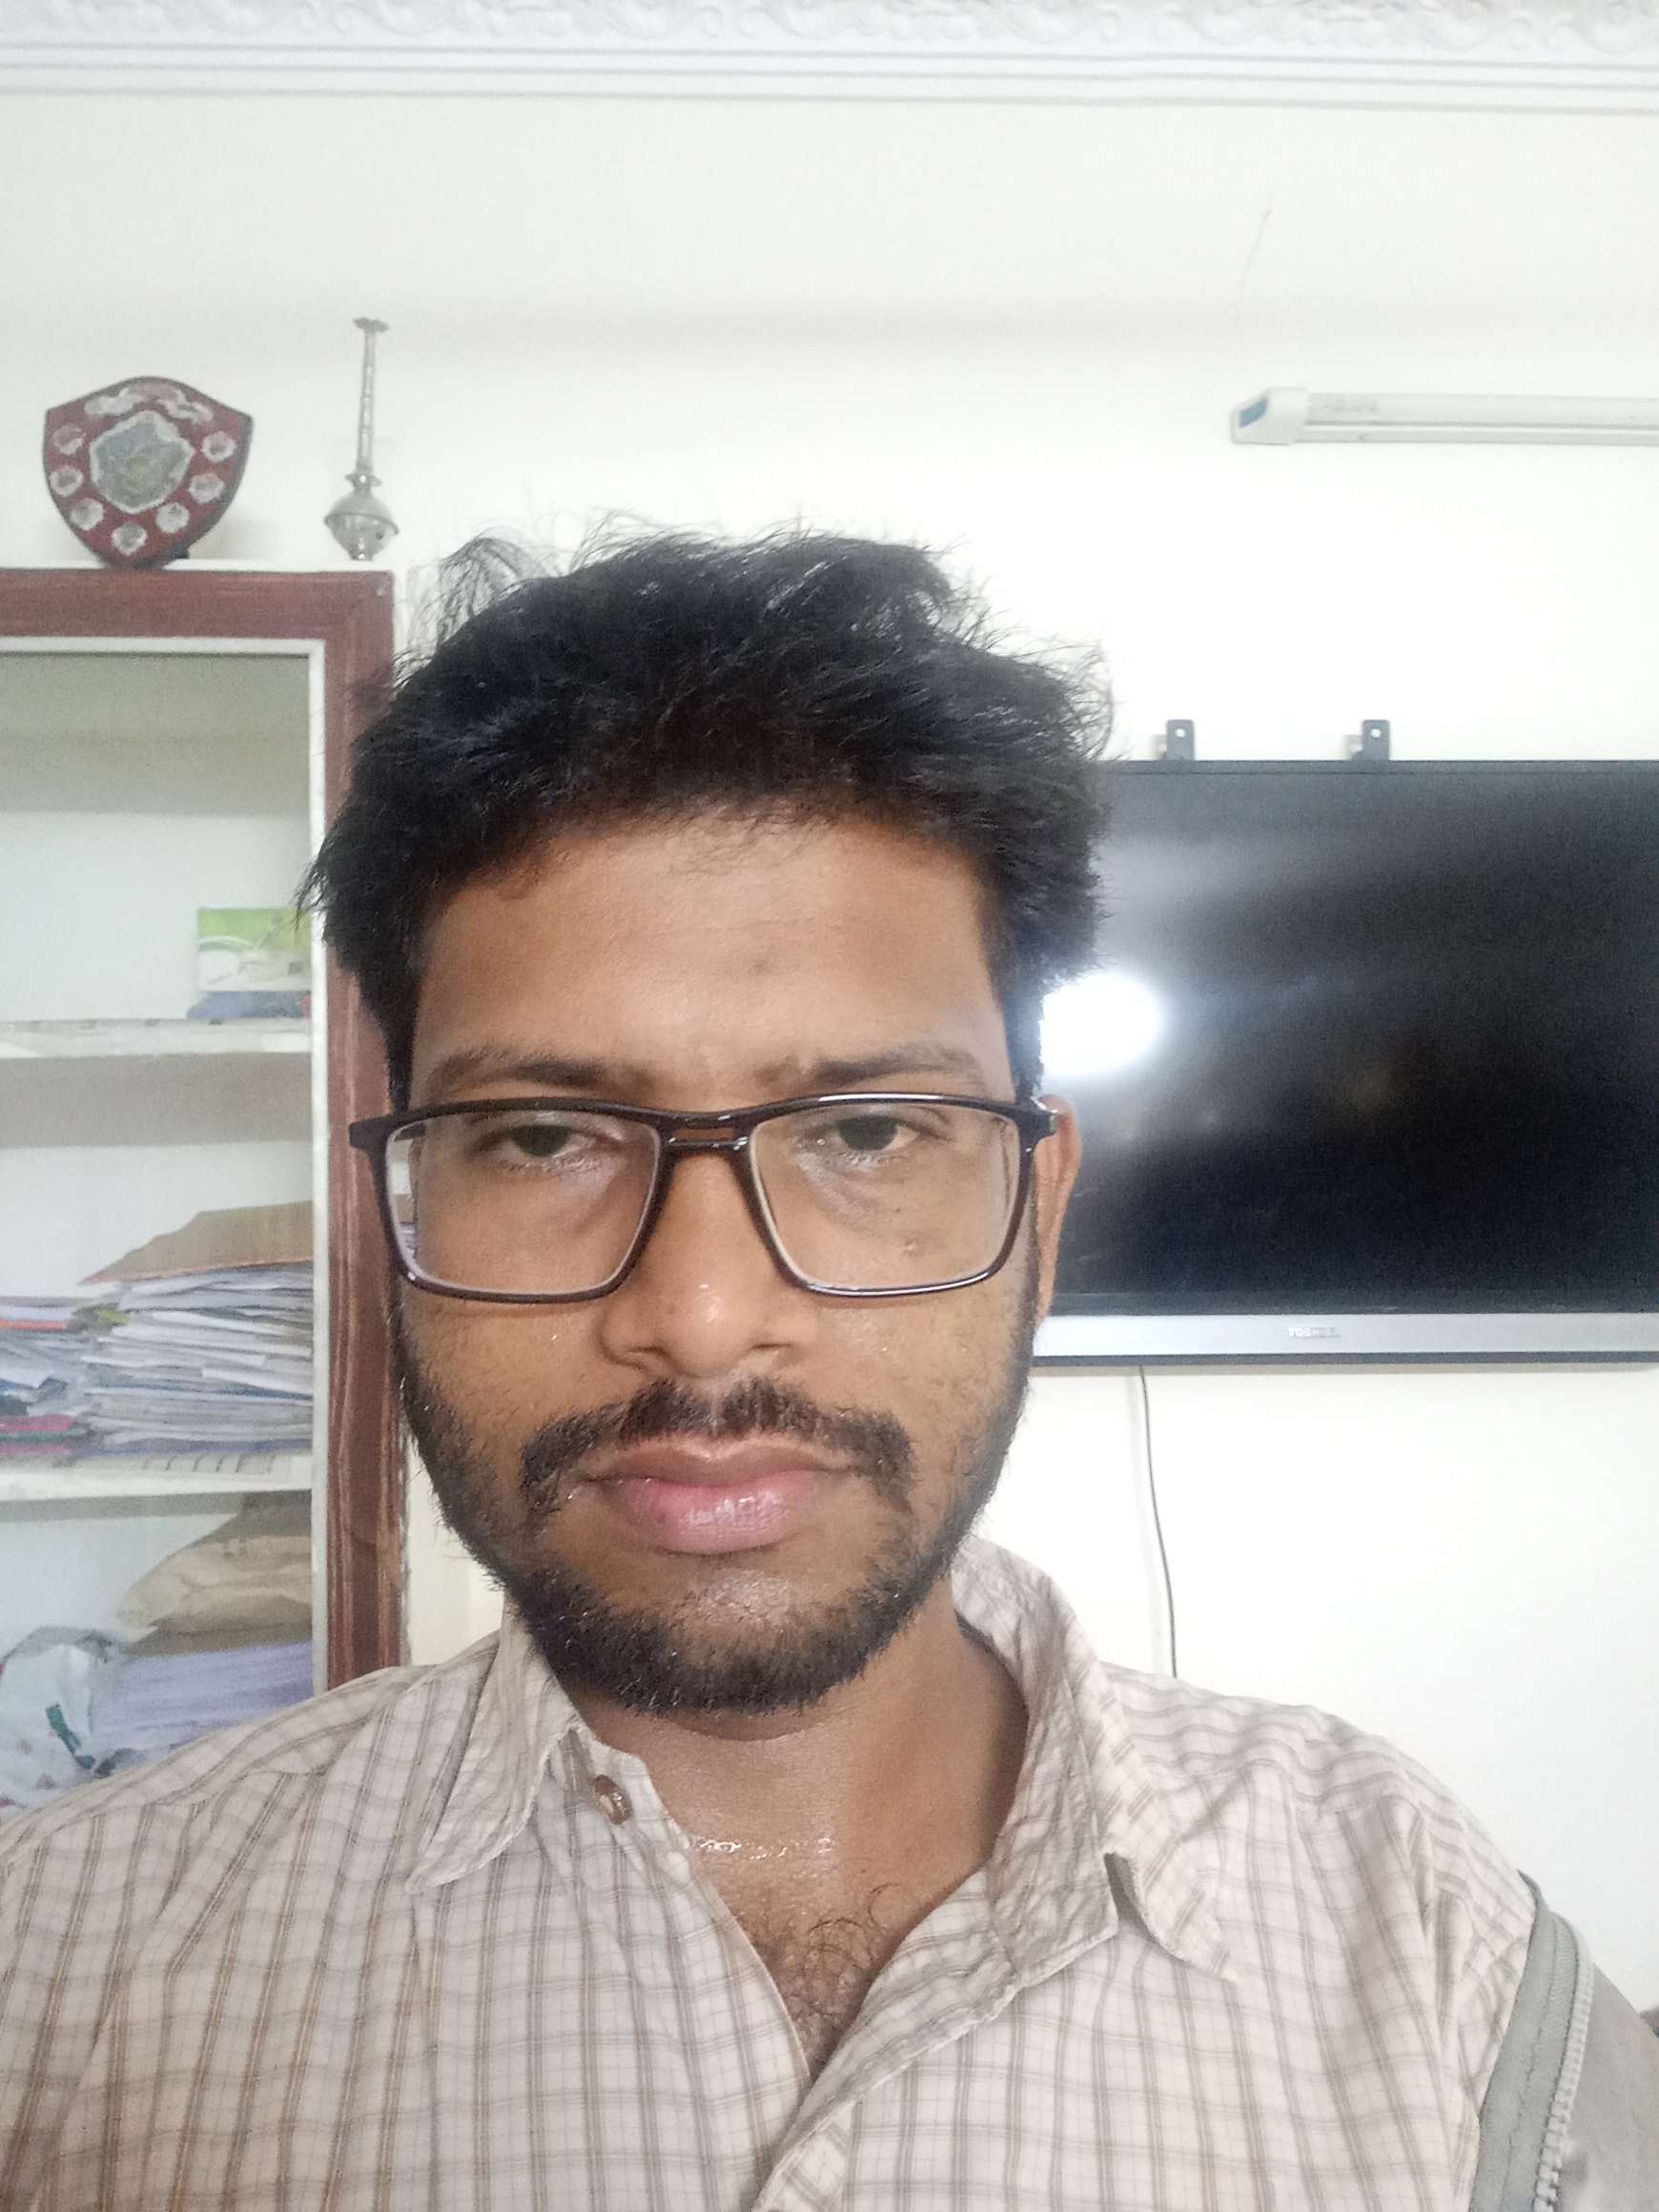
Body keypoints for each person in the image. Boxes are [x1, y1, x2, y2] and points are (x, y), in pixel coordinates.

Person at [2, 531, 1654, 2210]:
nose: (706, 1319)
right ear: (403, 1202)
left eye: (865, 1131)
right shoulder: (57, 1967)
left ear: (1039, 1208)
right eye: (547, 1135)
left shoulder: (1426, 1934)